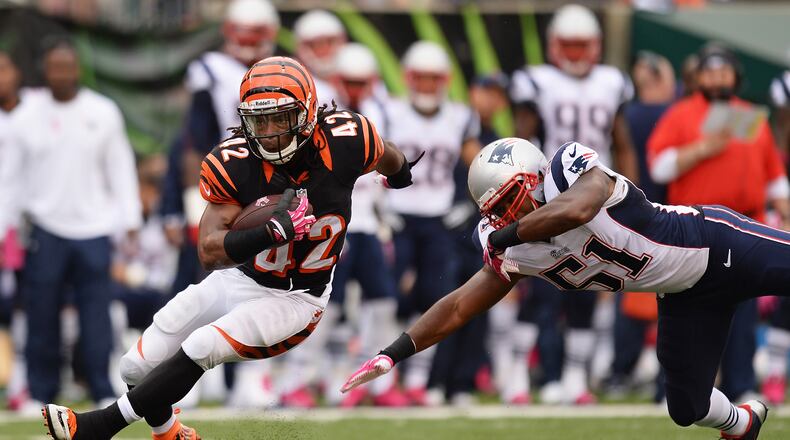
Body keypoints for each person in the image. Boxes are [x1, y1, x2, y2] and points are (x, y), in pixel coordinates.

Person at [42, 55, 417, 440]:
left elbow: (386, 153)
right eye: (260, 120)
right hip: (242, 277)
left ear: (307, 113)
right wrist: (268, 232)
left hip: (298, 298)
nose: (269, 132)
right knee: (135, 367)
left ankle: (98, 427)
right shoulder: (235, 161)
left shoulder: (348, 137)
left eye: (280, 118)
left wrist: (401, 173)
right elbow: (209, 250)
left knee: (203, 344)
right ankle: (170, 434)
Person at [344, 137, 778, 439]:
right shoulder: (514, 244)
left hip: (719, 243)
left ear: (535, 178)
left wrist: (504, 236)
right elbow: (459, 306)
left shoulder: (568, 170)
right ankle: (744, 426)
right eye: (496, 213)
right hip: (685, 292)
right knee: (689, 408)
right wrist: (393, 352)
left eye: (511, 200)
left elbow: (578, 209)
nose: (505, 218)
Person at [0, 39, 142, 413]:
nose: (62, 74)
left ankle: (100, 388)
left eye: (68, 67)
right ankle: (38, 392)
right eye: (55, 68)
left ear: (78, 68)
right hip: (44, 230)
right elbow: (10, 178)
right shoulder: (25, 116)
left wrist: (129, 219)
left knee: (97, 314)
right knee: (41, 313)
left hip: (94, 230)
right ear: (44, 71)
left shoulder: (103, 111)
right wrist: (3, 228)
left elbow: (120, 168)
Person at [509, 3, 638, 404]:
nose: (577, 54)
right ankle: (529, 377)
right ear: (554, 46)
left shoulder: (612, 82)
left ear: (597, 46)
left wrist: (631, 190)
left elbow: (622, 142)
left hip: (597, 196)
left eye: (583, 46)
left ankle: (575, 379)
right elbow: (522, 139)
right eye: (570, 45)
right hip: (549, 197)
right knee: (543, 289)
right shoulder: (537, 80)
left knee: (587, 285)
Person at [647, 44, 790, 403]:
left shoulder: (749, 117)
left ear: (736, 77)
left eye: (724, 71)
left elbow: (774, 177)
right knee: (683, 313)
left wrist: (785, 214)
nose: (718, 78)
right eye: (711, 72)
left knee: (743, 315)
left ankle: (740, 383)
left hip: (747, 229)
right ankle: (674, 387)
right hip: (694, 231)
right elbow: (659, 166)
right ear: (699, 78)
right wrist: (701, 149)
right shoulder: (681, 115)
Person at [385, 40, 481, 405]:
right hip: (397, 214)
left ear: (445, 80)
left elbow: (481, 167)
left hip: (439, 218)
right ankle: (385, 377)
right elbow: (367, 162)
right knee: (390, 298)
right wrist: (378, 206)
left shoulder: (460, 117)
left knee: (433, 298)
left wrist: (468, 203)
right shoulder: (389, 110)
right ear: (408, 78)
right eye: (420, 79)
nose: (426, 86)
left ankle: (420, 379)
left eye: (432, 79)